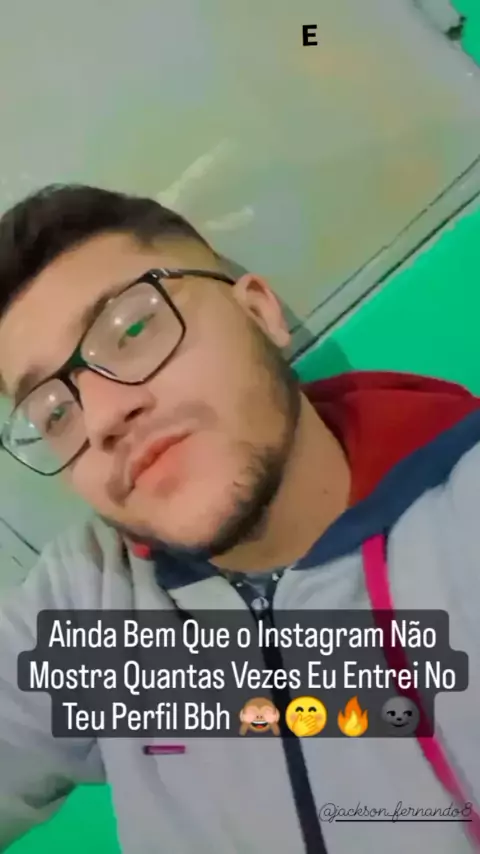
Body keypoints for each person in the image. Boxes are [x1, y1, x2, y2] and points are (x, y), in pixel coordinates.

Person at [0, 184, 479, 854]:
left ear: (259, 311)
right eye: (55, 413)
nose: (102, 417)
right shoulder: (92, 602)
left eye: (132, 329)